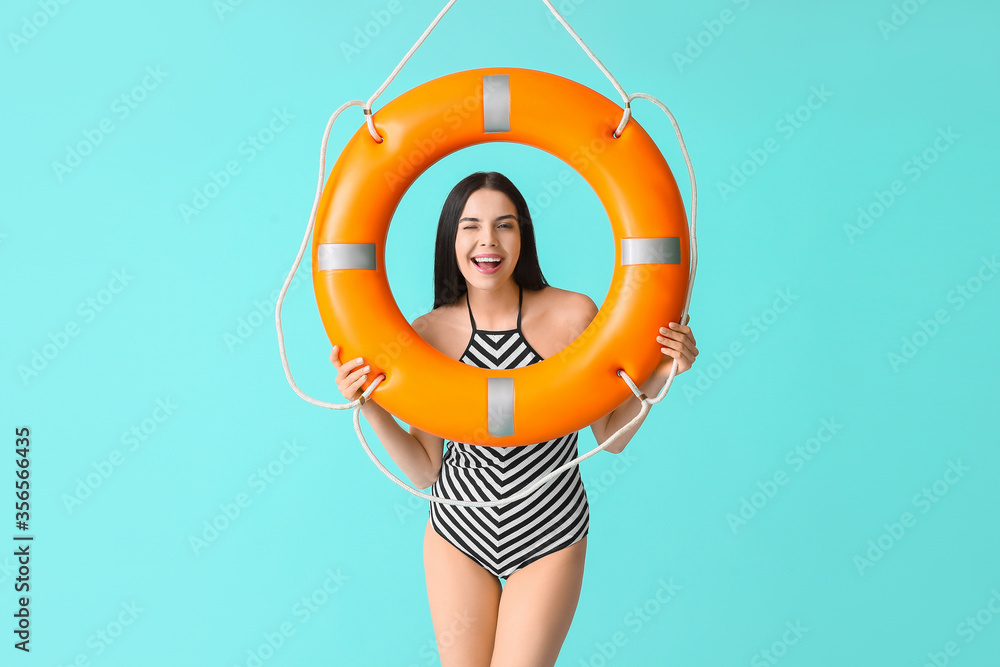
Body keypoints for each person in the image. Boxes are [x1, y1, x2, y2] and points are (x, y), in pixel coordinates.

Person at [331, 171, 698, 667]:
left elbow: (610, 437)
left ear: (523, 237)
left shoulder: (571, 316)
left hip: (549, 532)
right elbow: (424, 469)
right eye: (471, 227)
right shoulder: (429, 334)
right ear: (450, 239)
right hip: (458, 532)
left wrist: (662, 372)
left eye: (504, 225)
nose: (488, 241)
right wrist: (368, 404)